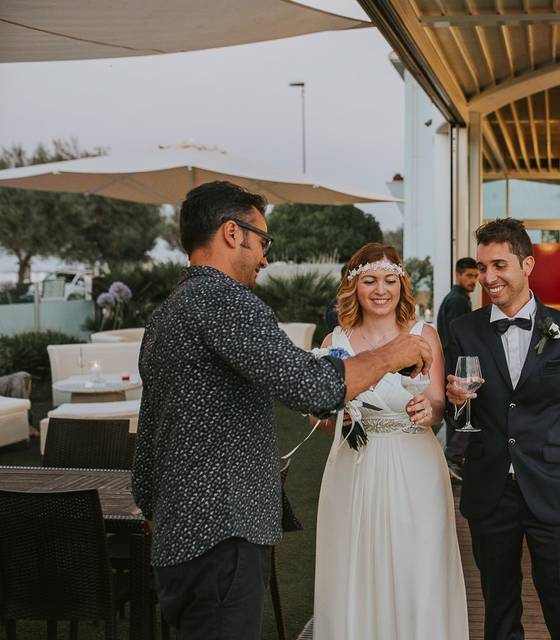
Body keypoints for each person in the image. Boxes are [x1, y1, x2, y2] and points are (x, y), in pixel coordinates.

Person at [132, 181, 431, 640]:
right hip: (222, 535)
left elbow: (149, 433)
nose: (265, 257)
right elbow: (312, 387)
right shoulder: (227, 300)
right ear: (233, 233)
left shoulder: (167, 312)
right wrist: (395, 353)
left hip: (177, 541)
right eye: (263, 241)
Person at [445, 218, 560, 640]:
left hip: (554, 489)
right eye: (483, 268)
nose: (488, 277)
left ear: (527, 264)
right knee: (499, 613)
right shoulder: (462, 331)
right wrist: (456, 405)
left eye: (499, 265)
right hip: (490, 491)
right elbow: (460, 424)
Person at [313, 242, 469, 640]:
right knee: (356, 562)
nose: (380, 290)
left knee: (416, 564)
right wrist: (334, 414)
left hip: (415, 466)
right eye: (369, 280)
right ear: (354, 287)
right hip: (354, 469)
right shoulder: (336, 343)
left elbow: (436, 404)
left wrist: (429, 410)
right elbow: (320, 414)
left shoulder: (424, 335)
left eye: (388, 280)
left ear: (401, 285)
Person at [436, 256, 479, 479]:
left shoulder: (456, 298)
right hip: (456, 364)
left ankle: (454, 463)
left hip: (450, 363)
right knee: (467, 414)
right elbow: (459, 337)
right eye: (469, 275)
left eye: (475, 275)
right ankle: (452, 458)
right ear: (458, 275)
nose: (474, 280)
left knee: (456, 415)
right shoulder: (457, 301)